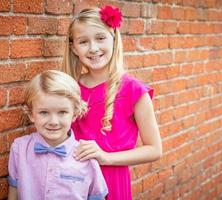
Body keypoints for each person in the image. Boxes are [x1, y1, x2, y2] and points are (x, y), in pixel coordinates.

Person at [62, 5, 162, 200]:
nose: (93, 48)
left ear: (114, 38)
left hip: (111, 181)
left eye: (100, 38)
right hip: (70, 182)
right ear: (74, 48)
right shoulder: (69, 88)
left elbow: (154, 149)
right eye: (83, 41)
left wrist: (105, 157)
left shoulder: (133, 90)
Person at [7, 70, 108, 200]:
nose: (53, 122)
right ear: (31, 114)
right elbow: (13, 193)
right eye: (44, 112)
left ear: (75, 114)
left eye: (62, 112)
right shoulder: (19, 148)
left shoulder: (86, 156)